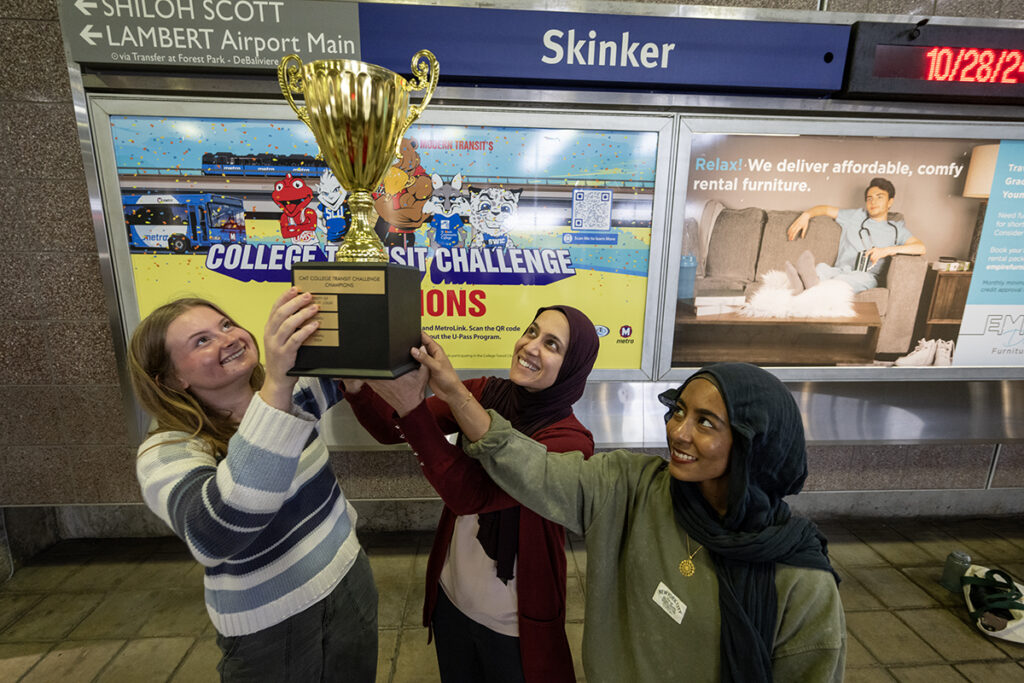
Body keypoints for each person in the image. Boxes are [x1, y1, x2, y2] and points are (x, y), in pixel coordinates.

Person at [402, 351, 845, 682]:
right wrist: (453, 390)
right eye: (678, 411)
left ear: (755, 443)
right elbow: (535, 471)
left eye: (706, 423)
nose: (679, 432)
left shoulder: (798, 580)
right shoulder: (634, 488)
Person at [129, 291, 377, 682]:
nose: (227, 338)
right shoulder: (167, 449)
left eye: (225, 325)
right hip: (271, 625)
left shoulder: (294, 394)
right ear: (173, 378)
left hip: (348, 580)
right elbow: (214, 535)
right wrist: (277, 381)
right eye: (202, 341)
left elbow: (360, 358)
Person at [344, 306, 600, 683]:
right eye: (531, 332)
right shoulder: (486, 391)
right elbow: (393, 428)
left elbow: (470, 494)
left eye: (551, 345)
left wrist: (420, 402)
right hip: (451, 597)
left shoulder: (568, 441)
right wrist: (356, 384)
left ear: (572, 366)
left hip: (512, 619)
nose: (530, 347)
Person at [786, 176, 925, 293]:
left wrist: (886, 251)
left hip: (866, 276)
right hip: (839, 269)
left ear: (890, 202)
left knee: (842, 282)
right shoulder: (855, 216)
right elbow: (825, 209)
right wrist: (806, 215)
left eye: (879, 197)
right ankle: (803, 283)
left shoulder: (896, 229)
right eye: (869, 198)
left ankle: (807, 286)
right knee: (822, 268)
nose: (873, 202)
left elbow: (920, 247)